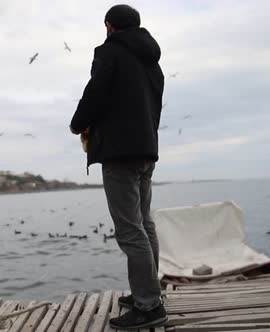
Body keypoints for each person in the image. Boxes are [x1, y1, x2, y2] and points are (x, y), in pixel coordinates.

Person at [69, 4, 166, 330]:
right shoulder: (153, 63)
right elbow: (154, 108)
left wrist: (78, 123)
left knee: (129, 229)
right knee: (144, 223)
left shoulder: (110, 53)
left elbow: (96, 93)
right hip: (146, 151)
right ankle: (151, 291)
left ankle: (148, 305)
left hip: (119, 153)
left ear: (110, 26)